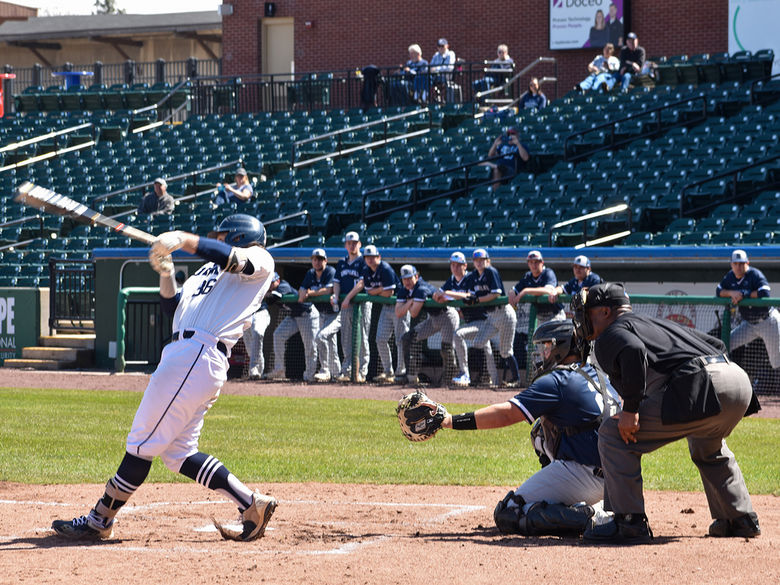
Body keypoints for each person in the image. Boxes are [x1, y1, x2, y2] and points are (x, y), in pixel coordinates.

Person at [51, 214, 278, 542]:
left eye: (225, 234)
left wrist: (184, 239)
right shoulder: (205, 272)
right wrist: (167, 273)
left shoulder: (259, 257)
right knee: (179, 453)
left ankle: (99, 520)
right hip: (187, 355)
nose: (219, 237)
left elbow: (231, 259)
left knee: (140, 444)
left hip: (198, 354)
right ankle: (252, 505)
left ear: (241, 236)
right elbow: (173, 310)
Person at [571, 282, 761, 543]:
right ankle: (740, 518)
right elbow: (715, 343)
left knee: (613, 434)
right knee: (707, 444)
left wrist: (631, 410)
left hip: (704, 383)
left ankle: (629, 522)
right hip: (737, 379)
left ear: (605, 311)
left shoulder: (610, 333)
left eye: (586, 311)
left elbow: (634, 351)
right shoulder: (651, 323)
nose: (582, 319)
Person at [440, 320, 620, 536]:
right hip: (618, 477)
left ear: (560, 347)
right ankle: (600, 506)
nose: (541, 354)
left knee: (509, 512)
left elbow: (507, 413)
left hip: (587, 474)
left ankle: (589, 515)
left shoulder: (558, 380)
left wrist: (451, 421)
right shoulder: (598, 376)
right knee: (540, 433)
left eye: (545, 347)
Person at [450, 249, 517, 388]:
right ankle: (486, 376)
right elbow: (469, 294)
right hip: (491, 317)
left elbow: (496, 294)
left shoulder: (491, 271)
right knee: (479, 342)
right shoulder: (473, 276)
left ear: (488, 261)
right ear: (473, 263)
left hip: (504, 313)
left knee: (505, 351)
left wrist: (477, 300)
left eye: (482, 260)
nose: (479, 263)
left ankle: (516, 379)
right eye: (476, 260)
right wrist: (468, 299)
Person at [344, 245, 409, 383]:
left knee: (400, 340)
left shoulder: (385, 269)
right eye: (367, 257)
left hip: (399, 305)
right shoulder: (366, 270)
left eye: (373, 257)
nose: (370, 260)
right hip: (386, 308)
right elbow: (369, 292)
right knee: (380, 339)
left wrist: (378, 290)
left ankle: (401, 372)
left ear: (378, 257)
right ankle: (388, 371)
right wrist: (381, 289)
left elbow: (389, 293)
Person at [319, 231, 371, 383]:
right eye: (349, 243)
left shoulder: (363, 261)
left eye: (354, 242)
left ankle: (361, 372)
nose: (352, 245)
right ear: (345, 245)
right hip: (346, 305)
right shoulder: (342, 262)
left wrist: (346, 298)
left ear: (359, 244)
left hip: (360, 304)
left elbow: (361, 283)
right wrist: (335, 296)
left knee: (362, 339)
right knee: (346, 339)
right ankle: (347, 371)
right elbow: (337, 282)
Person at [717, 249, 780, 371]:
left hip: (768, 321)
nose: (738, 267)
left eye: (741, 263)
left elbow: (765, 292)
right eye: (735, 264)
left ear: (747, 263)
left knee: (776, 362)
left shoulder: (754, 274)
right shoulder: (730, 276)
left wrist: (744, 294)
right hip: (749, 325)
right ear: (731, 264)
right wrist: (732, 293)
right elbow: (719, 291)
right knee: (725, 344)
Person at [397, 264, 459, 385]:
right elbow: (398, 312)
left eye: (410, 278)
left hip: (447, 316)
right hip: (434, 318)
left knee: (447, 349)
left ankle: (448, 381)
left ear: (416, 276)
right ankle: (412, 377)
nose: (407, 281)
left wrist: (408, 303)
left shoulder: (421, 288)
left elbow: (414, 313)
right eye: (405, 279)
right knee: (408, 338)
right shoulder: (404, 290)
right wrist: (410, 301)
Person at [266, 270, 320, 383]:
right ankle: (279, 370)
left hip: (307, 314)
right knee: (278, 335)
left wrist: (266, 294)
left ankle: (310, 375)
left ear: (278, 280)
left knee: (310, 346)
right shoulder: (272, 289)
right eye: (268, 283)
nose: (270, 285)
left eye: (272, 283)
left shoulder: (283, 285)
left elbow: (271, 300)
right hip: (294, 315)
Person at [294, 248, 338, 383]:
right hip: (320, 314)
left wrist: (311, 293)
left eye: (320, 259)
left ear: (325, 260)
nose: (317, 262)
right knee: (328, 343)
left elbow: (329, 290)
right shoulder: (310, 273)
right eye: (314, 259)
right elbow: (301, 291)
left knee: (323, 339)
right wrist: (303, 292)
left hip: (334, 313)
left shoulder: (330, 271)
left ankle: (328, 371)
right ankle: (335, 375)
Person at [243, 273, 278, 380]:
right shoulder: (248, 283)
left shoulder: (272, 285)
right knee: (250, 346)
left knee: (257, 333)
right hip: (247, 315)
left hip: (261, 313)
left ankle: (255, 370)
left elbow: (274, 295)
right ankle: (257, 370)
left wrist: (267, 293)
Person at [484, 127, 530, 192]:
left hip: (511, 170)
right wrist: (495, 144)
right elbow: (490, 156)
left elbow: (525, 158)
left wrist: (518, 144)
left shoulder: (522, 146)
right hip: (500, 166)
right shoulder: (503, 145)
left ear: (517, 135)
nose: (510, 136)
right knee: (483, 163)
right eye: (508, 134)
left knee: (497, 169)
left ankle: (494, 191)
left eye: (512, 134)